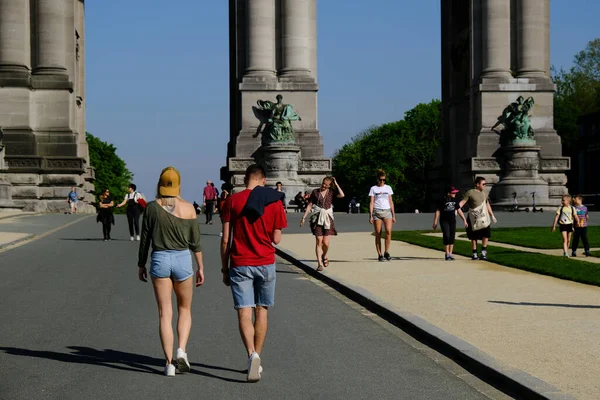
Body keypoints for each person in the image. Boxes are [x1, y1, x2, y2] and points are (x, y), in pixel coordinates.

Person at [220, 164, 287, 382]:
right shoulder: (274, 202)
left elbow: (225, 239)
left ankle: (250, 355)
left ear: (245, 179)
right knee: (262, 310)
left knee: (244, 312)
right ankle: (258, 355)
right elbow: (277, 239)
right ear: (263, 180)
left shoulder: (232, 201)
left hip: (240, 262)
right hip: (265, 261)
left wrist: (224, 267)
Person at [138, 166, 205, 377]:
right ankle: (181, 350)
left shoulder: (150, 207)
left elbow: (145, 239)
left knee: (164, 313)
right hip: (183, 259)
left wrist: (141, 264)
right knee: (185, 309)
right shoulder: (189, 209)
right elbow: (195, 243)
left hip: (159, 259)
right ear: (178, 185)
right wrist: (201, 266)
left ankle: (168, 364)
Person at [301, 176, 345, 271]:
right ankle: (319, 264)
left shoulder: (331, 193)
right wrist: (304, 217)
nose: (324, 185)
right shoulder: (315, 192)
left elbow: (342, 195)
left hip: (328, 218)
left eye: (326, 184)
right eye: (323, 183)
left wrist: (336, 184)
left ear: (329, 186)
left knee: (325, 242)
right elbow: (310, 205)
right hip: (317, 218)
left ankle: (324, 255)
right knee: (318, 241)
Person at [459, 177, 497, 260]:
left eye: (485, 184)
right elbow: (462, 203)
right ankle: (474, 253)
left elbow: (487, 204)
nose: (484, 185)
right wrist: (456, 209)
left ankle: (483, 252)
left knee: (486, 234)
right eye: (483, 184)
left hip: (483, 217)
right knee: (474, 237)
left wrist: (492, 215)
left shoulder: (484, 193)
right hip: (473, 218)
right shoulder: (470, 193)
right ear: (477, 184)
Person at [433, 186, 468, 260]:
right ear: (448, 193)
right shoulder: (442, 200)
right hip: (444, 220)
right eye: (453, 193)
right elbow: (438, 211)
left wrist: (464, 220)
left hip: (452, 220)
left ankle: (450, 254)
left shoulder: (455, 200)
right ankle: (447, 253)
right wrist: (435, 222)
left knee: (452, 236)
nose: (455, 194)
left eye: (455, 193)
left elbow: (458, 210)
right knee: (446, 235)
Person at [368, 169, 395, 262]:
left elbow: (391, 201)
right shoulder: (373, 188)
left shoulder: (388, 188)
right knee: (378, 233)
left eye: (384, 180)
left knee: (388, 232)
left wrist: (393, 214)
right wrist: (370, 215)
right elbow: (371, 202)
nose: (382, 181)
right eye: (381, 179)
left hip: (387, 211)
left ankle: (386, 252)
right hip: (377, 212)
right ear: (377, 179)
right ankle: (379, 254)